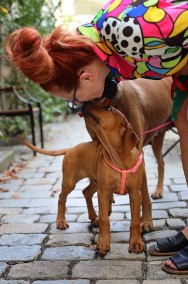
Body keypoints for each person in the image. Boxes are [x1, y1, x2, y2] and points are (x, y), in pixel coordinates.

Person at [5, 0, 188, 274]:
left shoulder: (130, 32)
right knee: (185, 122)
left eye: (74, 102)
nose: (80, 108)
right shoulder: (95, 44)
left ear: (86, 78)